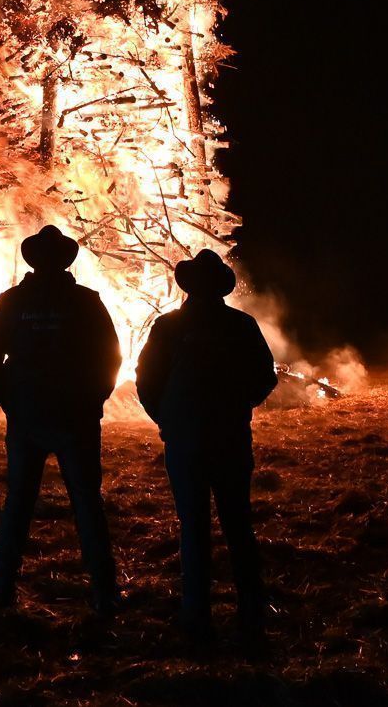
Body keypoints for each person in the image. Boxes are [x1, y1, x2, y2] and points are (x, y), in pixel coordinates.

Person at [136, 249, 278, 643]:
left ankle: (196, 614)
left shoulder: (168, 327)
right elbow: (264, 376)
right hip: (230, 439)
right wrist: (241, 407)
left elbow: (146, 382)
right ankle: (251, 610)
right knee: (238, 525)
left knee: (193, 527)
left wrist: (167, 421)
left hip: (186, 442)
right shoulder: (240, 324)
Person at [0, 225, 122, 618]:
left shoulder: (11, 302)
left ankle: (1, 590)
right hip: (74, 416)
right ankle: (105, 593)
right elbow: (111, 356)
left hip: (29, 416)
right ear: (64, 262)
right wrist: (94, 398)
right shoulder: (85, 301)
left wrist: (11, 403)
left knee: (19, 502)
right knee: (87, 502)